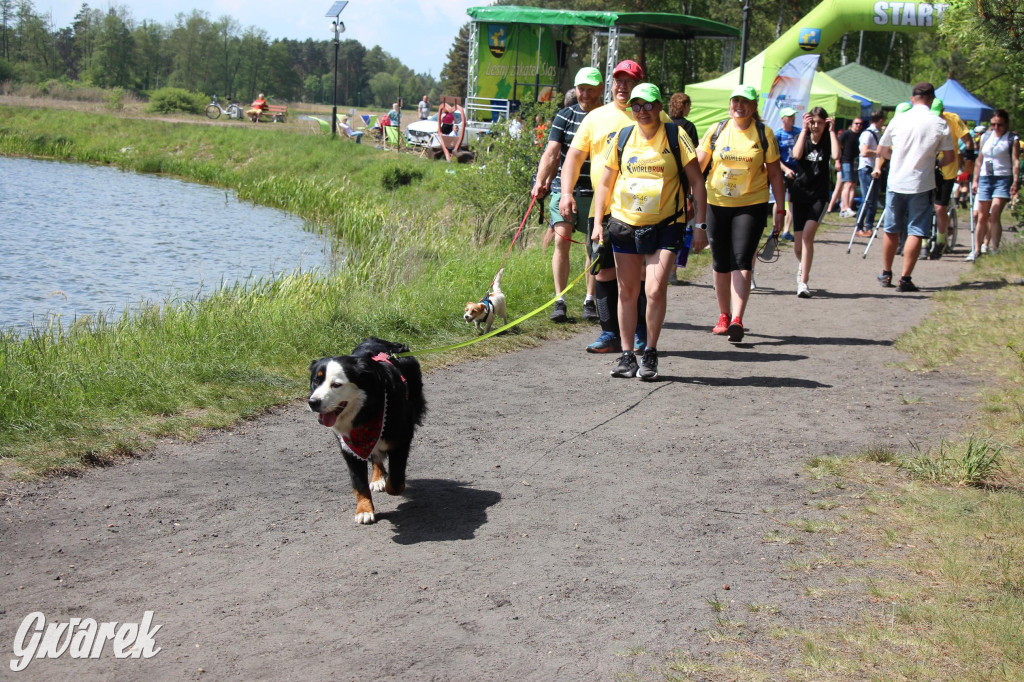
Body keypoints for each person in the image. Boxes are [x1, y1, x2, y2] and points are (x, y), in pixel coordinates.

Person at [592, 83, 707, 380]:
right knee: (627, 290)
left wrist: (700, 226)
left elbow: (697, 182)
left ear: (659, 107)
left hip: (666, 225)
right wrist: (597, 223)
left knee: (654, 289)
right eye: (636, 106)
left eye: (648, 105)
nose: (642, 111)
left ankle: (650, 351)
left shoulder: (675, 135)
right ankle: (627, 355)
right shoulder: (622, 137)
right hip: (625, 223)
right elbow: (605, 183)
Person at [560, 59, 665, 354]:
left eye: (629, 81)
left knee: (641, 275)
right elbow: (573, 158)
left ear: (640, 85)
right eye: (618, 80)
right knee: (602, 271)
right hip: (604, 208)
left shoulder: (657, 117)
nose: (622, 86)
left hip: (645, 210)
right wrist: (566, 193)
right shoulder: (596, 118)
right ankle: (610, 334)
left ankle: (640, 334)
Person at [696, 84, 785, 342]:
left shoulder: (763, 133)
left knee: (742, 259)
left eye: (745, 102)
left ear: (754, 106)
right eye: (735, 100)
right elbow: (698, 166)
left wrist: (780, 207)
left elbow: (775, 174)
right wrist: (688, 195)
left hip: (751, 205)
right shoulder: (717, 130)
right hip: (717, 204)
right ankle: (723, 315)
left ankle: (737, 318)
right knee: (720, 262)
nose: (739, 105)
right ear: (730, 103)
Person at [531, 67, 605, 324]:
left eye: (590, 89)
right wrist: (540, 181)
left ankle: (589, 299)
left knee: (593, 246)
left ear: (601, 89)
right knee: (561, 242)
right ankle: (559, 300)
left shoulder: (608, 116)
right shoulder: (565, 115)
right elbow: (552, 153)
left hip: (597, 192)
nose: (585, 94)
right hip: (565, 190)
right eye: (581, 89)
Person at [871, 82, 954, 292]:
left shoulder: (898, 120)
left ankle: (886, 273)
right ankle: (905, 279)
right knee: (916, 230)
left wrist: (895, 159)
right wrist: (934, 163)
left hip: (896, 181)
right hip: (922, 183)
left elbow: (882, 150)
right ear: (932, 99)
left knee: (891, 229)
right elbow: (950, 157)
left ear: (912, 98)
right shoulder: (939, 123)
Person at [788, 108, 840, 298]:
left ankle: (803, 282)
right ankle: (802, 266)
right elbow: (796, 155)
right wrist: (803, 130)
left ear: (825, 123)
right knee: (798, 246)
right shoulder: (803, 137)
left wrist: (832, 131)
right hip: (800, 193)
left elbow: (835, 156)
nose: (816, 126)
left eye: (819, 122)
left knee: (807, 237)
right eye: (813, 122)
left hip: (818, 196)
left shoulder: (828, 139)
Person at [969, 109, 1019, 259]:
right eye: (993, 125)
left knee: (994, 213)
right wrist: (975, 179)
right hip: (985, 177)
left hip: (1003, 178)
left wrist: (1016, 181)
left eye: (1000, 125)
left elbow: (1016, 161)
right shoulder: (985, 136)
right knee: (982, 215)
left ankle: (994, 248)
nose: (996, 128)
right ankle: (976, 249)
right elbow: (979, 160)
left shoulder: (1012, 139)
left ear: (1006, 124)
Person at [930, 99, 973, 258]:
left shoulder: (953, 119)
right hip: (928, 169)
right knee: (924, 207)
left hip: (948, 170)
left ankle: (941, 241)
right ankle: (922, 241)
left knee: (940, 208)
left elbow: (968, 142)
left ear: (943, 111)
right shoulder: (925, 119)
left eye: (939, 114)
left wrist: (969, 166)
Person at [855, 111, 886, 237]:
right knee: (867, 199)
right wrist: (878, 152)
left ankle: (869, 227)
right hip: (866, 168)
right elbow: (864, 152)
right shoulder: (867, 134)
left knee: (873, 199)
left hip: (875, 168)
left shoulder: (878, 133)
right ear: (880, 120)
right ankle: (859, 226)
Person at [774, 107, 801, 240]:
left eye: (793, 116)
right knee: (779, 201)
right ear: (783, 119)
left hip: (796, 172)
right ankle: (775, 229)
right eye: (789, 116)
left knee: (792, 201)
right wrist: (785, 169)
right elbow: (774, 158)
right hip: (781, 171)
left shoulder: (799, 132)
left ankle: (786, 231)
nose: (792, 119)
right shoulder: (777, 135)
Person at [836, 118, 863, 217]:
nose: (858, 125)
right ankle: (844, 208)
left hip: (856, 162)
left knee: (853, 186)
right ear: (852, 124)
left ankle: (849, 208)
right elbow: (837, 146)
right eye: (856, 123)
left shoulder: (860, 135)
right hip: (846, 161)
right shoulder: (846, 134)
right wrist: (837, 161)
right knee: (847, 184)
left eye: (860, 124)